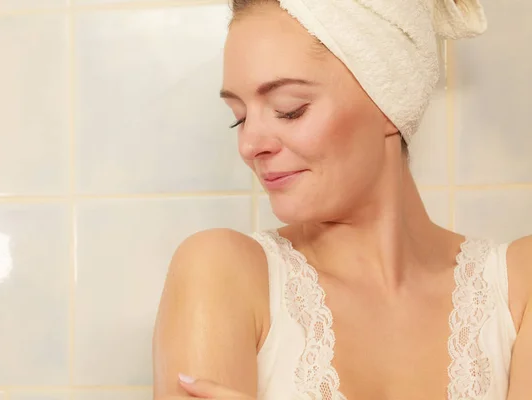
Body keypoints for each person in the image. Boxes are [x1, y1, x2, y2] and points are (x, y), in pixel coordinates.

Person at [152, 0, 532, 398]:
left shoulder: (516, 289)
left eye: (289, 110)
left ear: (389, 101)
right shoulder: (223, 273)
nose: (249, 144)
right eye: (239, 116)